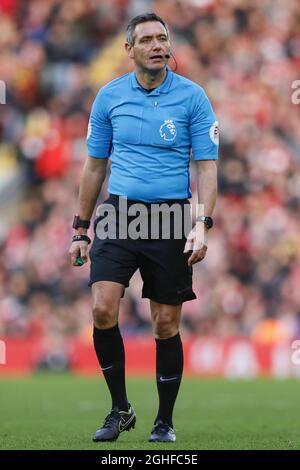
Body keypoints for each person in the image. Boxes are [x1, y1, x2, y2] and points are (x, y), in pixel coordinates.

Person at [69, 12, 218, 443]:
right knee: (101, 308)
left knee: (165, 324)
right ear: (129, 49)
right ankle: (120, 409)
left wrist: (202, 223)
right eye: (147, 39)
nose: (157, 45)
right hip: (118, 213)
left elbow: (206, 169)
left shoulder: (193, 97)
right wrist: (80, 229)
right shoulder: (109, 97)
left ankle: (164, 421)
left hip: (171, 215)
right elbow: (95, 166)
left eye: (162, 38)